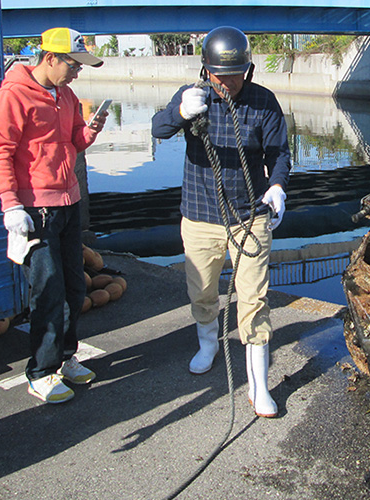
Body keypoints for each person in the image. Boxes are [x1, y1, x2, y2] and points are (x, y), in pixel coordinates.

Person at [151, 26, 292, 418]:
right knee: (202, 290)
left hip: (249, 216)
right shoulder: (192, 96)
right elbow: (157, 129)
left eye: (234, 75)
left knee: (254, 298)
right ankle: (208, 343)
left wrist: (277, 186)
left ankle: (259, 385)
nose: (226, 83)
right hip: (199, 215)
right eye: (219, 75)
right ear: (205, 69)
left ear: (247, 69)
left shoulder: (264, 102)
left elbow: (279, 153)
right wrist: (180, 112)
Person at [0, 27, 108, 404]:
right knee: (48, 288)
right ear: (50, 58)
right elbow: (0, 154)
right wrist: (10, 205)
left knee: (73, 285)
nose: (77, 73)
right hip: (35, 209)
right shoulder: (12, 97)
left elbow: (75, 143)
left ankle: (66, 356)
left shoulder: (67, 96)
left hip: (68, 203)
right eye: (73, 65)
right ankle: (40, 370)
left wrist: (91, 131)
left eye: (81, 66)